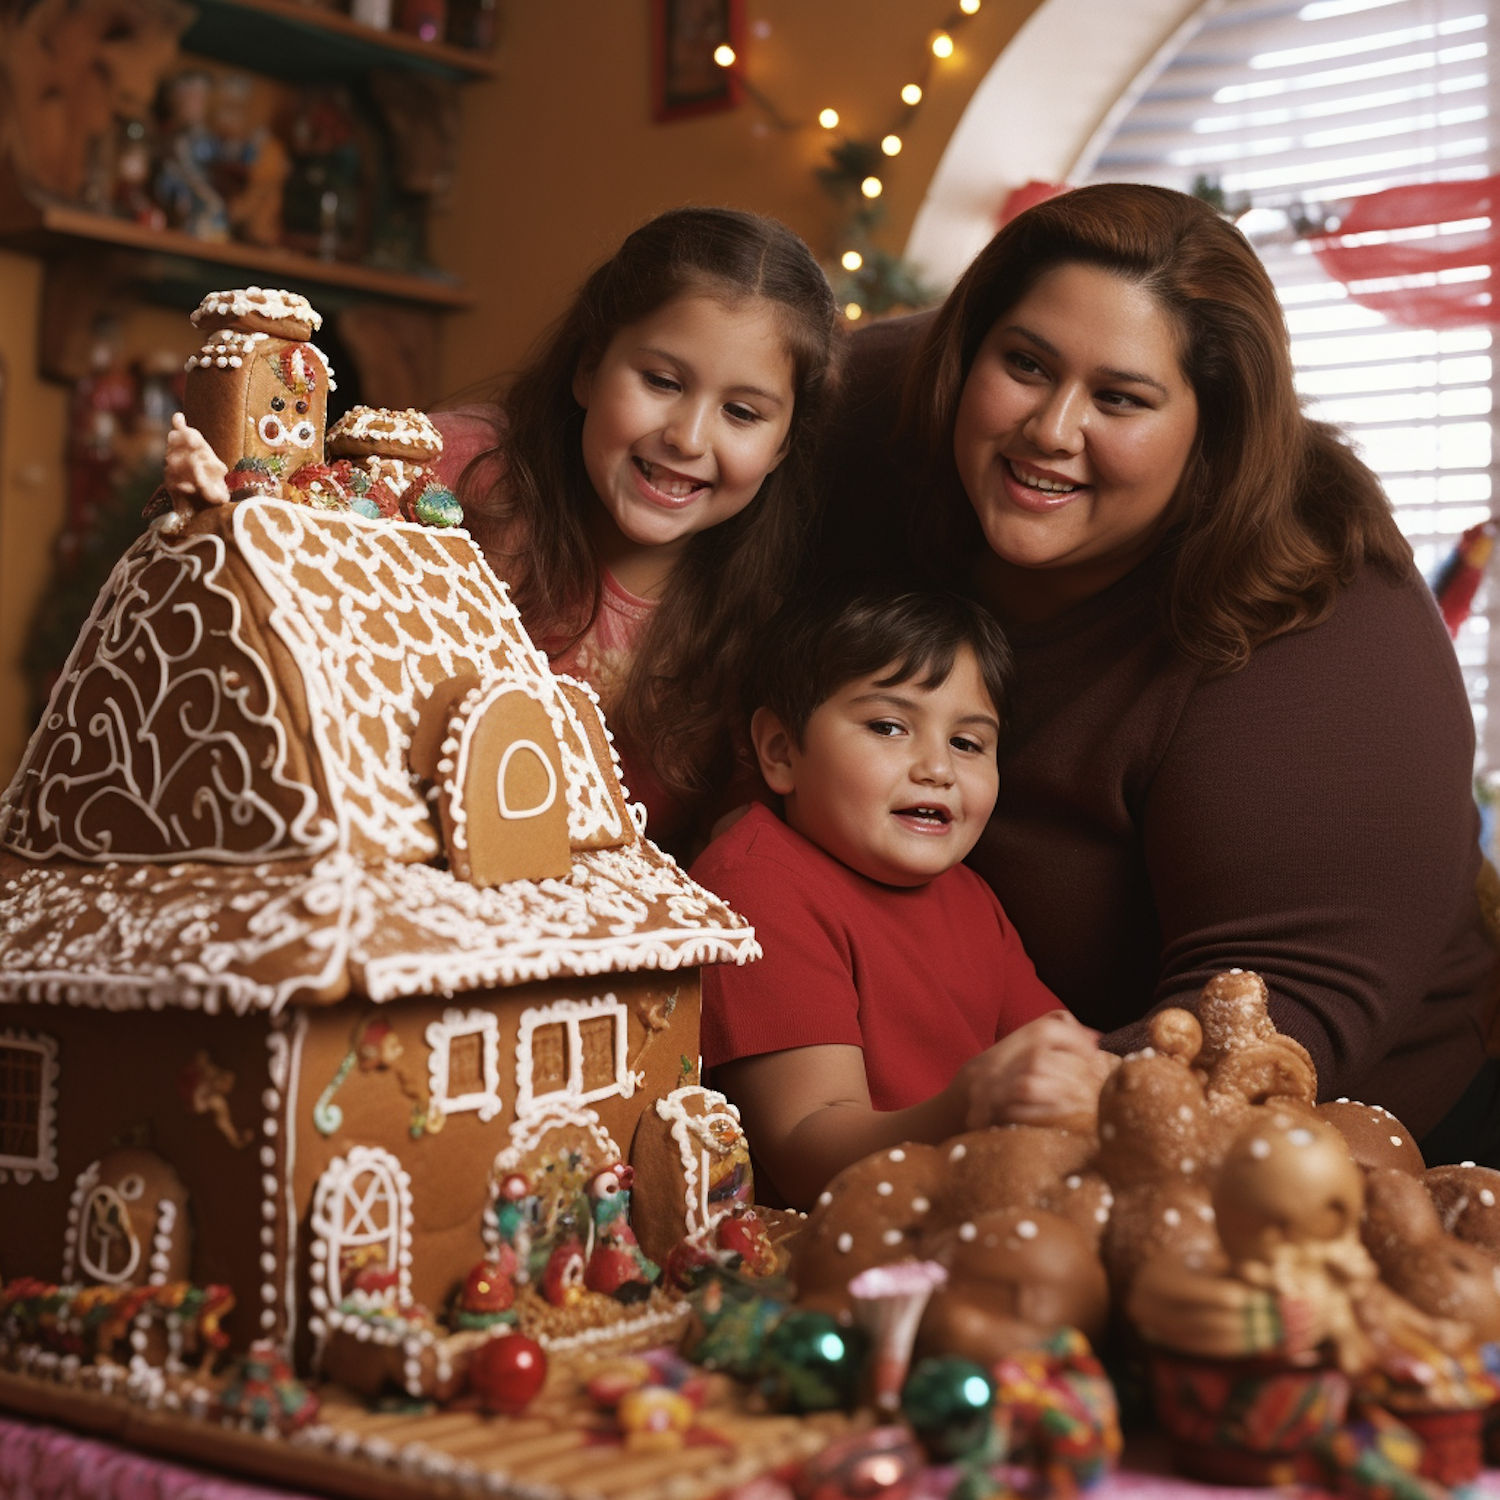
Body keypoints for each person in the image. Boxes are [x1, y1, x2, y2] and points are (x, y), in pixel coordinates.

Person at [806, 182, 1499, 1162]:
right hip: (924, 1101)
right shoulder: (861, 407)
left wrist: (974, 1124)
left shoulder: (1326, 616)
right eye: (1024, 364)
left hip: (1341, 1149)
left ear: (1210, 434)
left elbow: (1277, 1020)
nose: (1051, 429)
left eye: (1120, 399)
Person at [434, 207, 842, 856]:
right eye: (660, 381)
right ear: (589, 368)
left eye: (742, 412)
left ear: (785, 443)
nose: (687, 437)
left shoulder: (757, 641)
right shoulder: (452, 475)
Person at [690, 586, 1114, 1209]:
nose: (937, 768)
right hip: (835, 1244)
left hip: (980, 1207)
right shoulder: (755, 886)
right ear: (781, 751)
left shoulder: (967, 894)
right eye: (889, 727)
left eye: (968, 743)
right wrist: (967, 1105)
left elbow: (1064, 1055)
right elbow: (809, 1151)